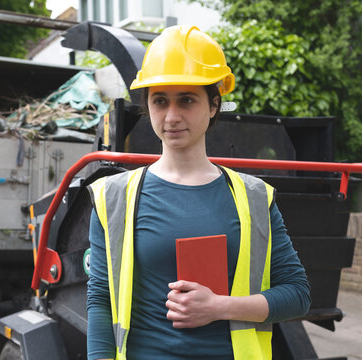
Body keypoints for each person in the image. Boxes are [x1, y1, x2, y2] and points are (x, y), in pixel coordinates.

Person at [86, 25, 311, 360]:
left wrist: (218, 307)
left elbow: (297, 295)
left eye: (187, 100)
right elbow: (101, 301)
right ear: (148, 108)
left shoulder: (254, 198)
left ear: (213, 105)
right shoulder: (113, 198)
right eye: (160, 101)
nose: (172, 116)